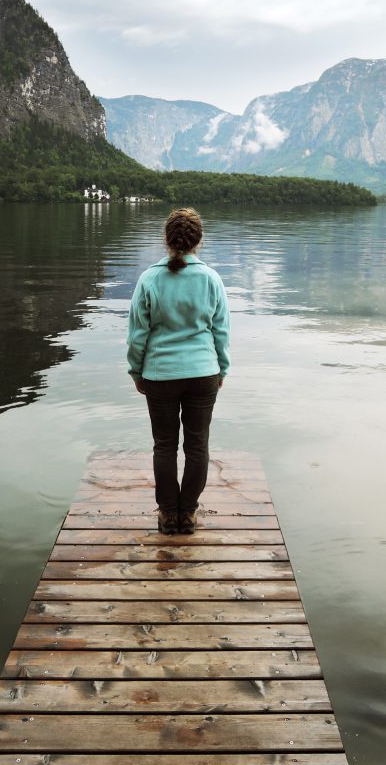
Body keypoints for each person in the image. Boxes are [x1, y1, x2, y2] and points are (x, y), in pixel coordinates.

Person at [127, 207, 230, 536]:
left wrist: (136, 372)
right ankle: (188, 514)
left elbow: (137, 334)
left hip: (160, 374)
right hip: (204, 374)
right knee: (197, 446)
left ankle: (168, 514)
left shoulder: (149, 279)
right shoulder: (212, 279)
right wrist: (221, 369)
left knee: (165, 445)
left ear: (166, 240)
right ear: (199, 240)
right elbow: (221, 332)